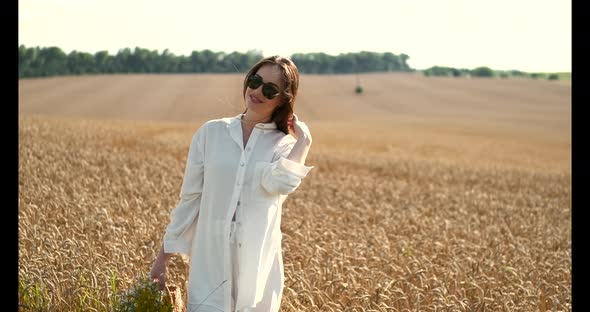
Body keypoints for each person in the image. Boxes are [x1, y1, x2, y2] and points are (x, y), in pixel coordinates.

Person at [150, 55, 314, 312]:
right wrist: (162, 260)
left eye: (269, 89)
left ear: (283, 98)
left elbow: (279, 183)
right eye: (255, 80)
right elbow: (191, 199)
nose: (257, 90)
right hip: (209, 261)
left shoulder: (283, 145)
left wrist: (304, 143)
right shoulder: (211, 133)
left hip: (256, 268)